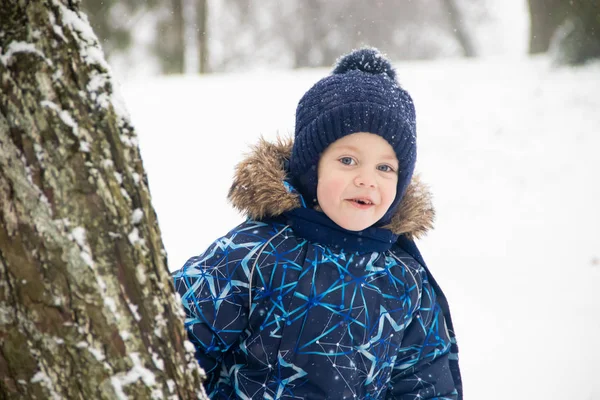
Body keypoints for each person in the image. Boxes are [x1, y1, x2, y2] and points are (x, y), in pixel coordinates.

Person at [172, 47, 463, 399]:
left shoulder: (406, 279)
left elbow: (424, 384)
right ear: (312, 169)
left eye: (385, 168)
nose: (367, 179)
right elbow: (177, 341)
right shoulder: (256, 253)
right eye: (348, 160)